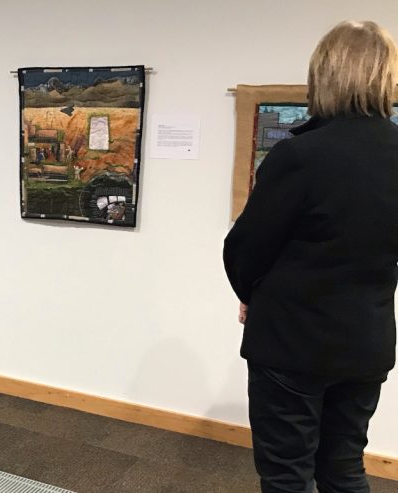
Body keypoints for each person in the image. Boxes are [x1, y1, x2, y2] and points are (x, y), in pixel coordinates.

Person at [223, 21, 398, 493]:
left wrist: (251, 295)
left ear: (323, 74)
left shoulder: (299, 155)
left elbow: (244, 249)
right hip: (367, 341)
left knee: (287, 475)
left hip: (290, 343)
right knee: (344, 467)